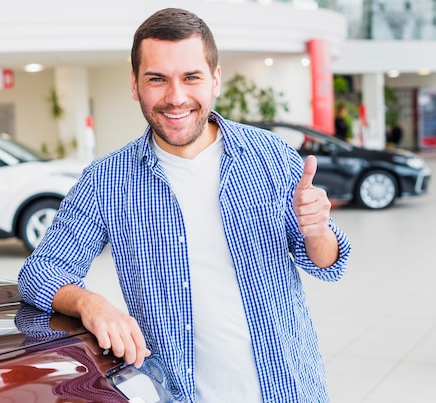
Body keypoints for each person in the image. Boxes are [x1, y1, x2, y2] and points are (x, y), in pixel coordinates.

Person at [18, 7, 351, 402]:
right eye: (157, 79)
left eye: (191, 77)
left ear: (215, 79)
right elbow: (40, 272)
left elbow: (327, 264)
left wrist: (317, 231)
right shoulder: (105, 181)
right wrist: (90, 303)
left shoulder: (272, 155)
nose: (175, 98)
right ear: (135, 84)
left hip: (288, 387)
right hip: (180, 393)